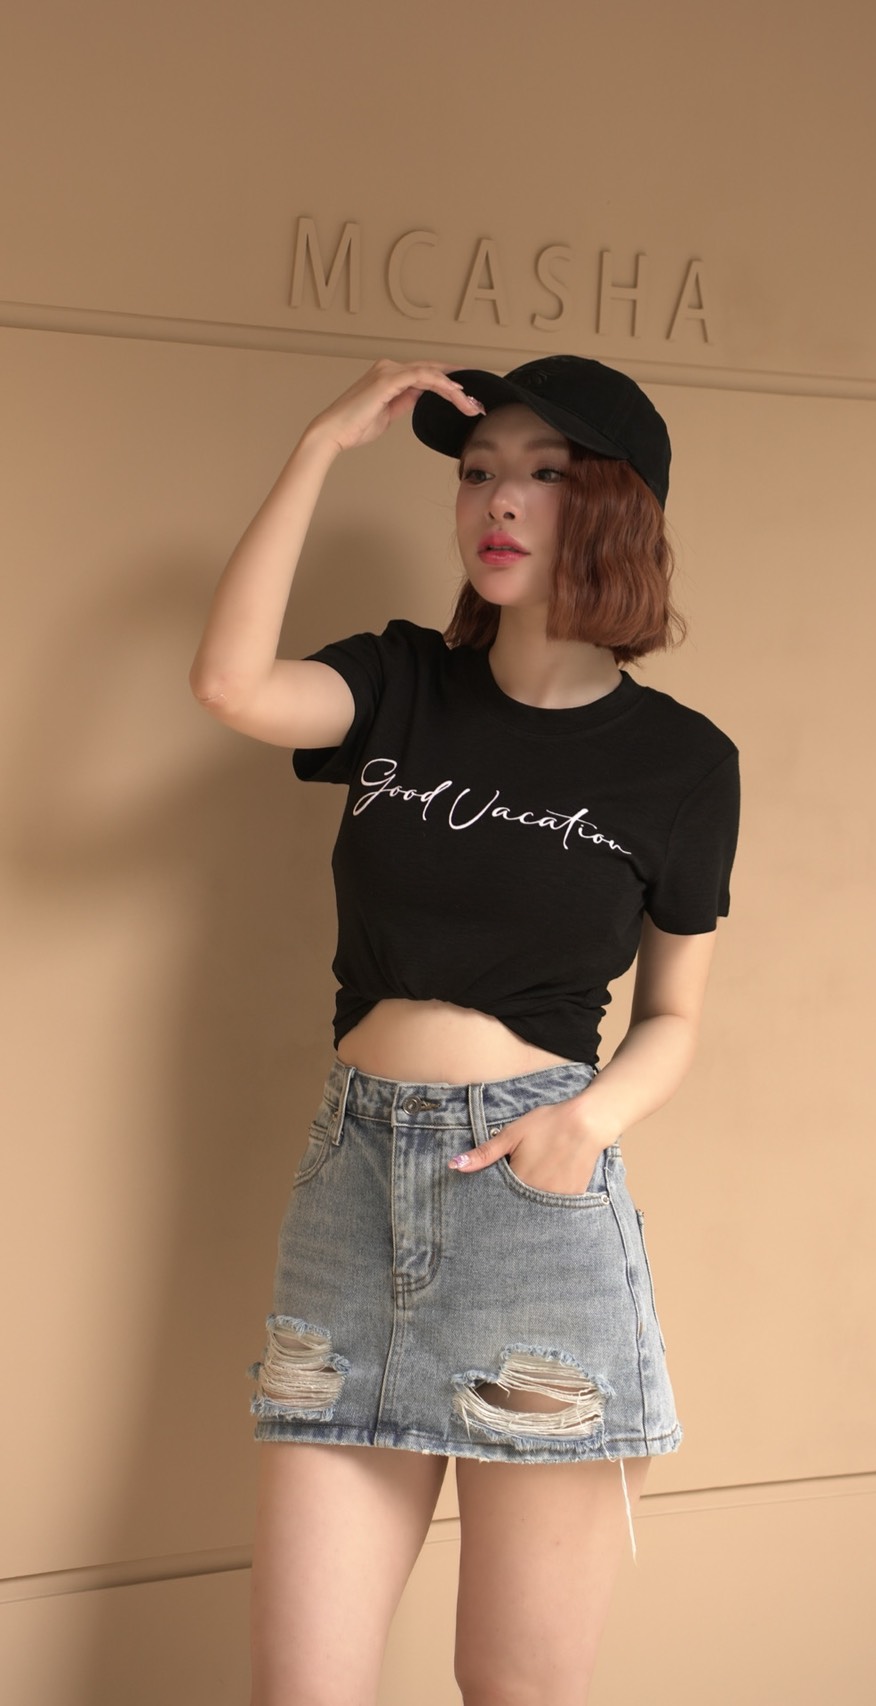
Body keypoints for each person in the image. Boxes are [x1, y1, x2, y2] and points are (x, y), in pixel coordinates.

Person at [190, 354, 740, 1706]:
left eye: (543, 474)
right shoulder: (400, 683)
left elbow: (674, 1015)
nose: (498, 500)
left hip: (532, 1214)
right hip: (349, 1200)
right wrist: (322, 443)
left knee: (512, 1690)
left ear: (614, 508)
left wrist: (584, 1123)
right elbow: (231, 684)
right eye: (478, 471)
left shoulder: (683, 763)